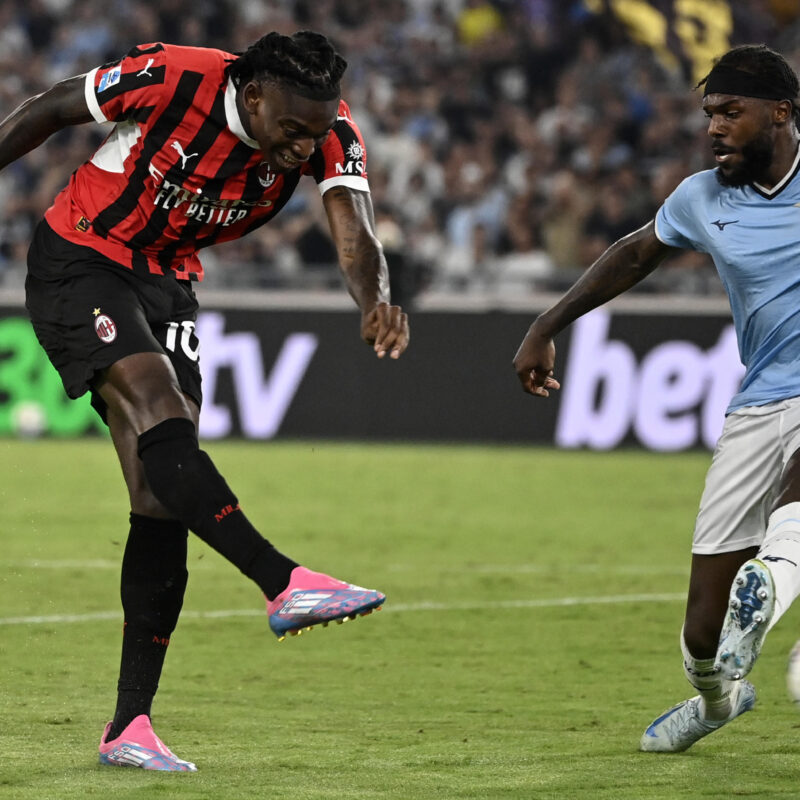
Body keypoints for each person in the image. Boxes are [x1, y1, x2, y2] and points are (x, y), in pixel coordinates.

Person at [0, 31, 409, 771]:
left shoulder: (328, 132)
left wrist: (376, 299)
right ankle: (283, 581)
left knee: (162, 493)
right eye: (291, 129)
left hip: (168, 282)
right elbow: (53, 106)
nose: (303, 146)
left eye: (316, 132)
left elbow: (355, 233)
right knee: (159, 407)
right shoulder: (176, 77)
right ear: (253, 96)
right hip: (83, 256)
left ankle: (130, 728)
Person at [513, 43, 800, 753]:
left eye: (732, 113)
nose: (714, 128)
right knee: (703, 631)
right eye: (710, 114)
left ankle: (775, 581)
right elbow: (635, 252)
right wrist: (547, 325)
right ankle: (715, 700)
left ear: (782, 113)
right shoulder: (703, 197)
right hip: (760, 401)